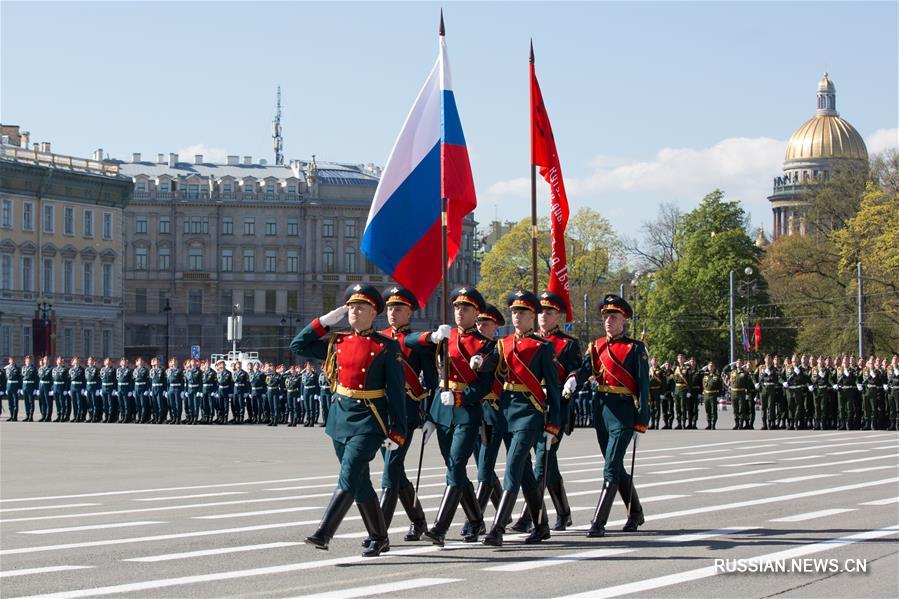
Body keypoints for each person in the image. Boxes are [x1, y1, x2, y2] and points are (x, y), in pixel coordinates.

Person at [290, 283, 406, 557]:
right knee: (359, 480)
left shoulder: (387, 347)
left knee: (350, 471)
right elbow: (298, 345)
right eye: (351, 306)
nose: (354, 310)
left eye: (361, 307)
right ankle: (379, 537)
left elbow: (397, 392)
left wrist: (398, 430)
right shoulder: (338, 341)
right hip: (340, 417)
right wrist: (324, 322)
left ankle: (324, 532)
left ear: (373, 312)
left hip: (370, 419)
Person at [405, 286, 495, 546]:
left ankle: (439, 528)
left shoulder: (486, 345)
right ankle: (476, 520)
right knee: (454, 469)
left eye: (465, 308)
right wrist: (431, 337)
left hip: (467, 412)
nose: (459, 311)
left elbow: (484, 385)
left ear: (476, 312)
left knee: (456, 465)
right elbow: (406, 342)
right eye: (456, 307)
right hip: (442, 411)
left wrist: (460, 397)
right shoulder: (446, 337)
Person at [480, 290, 561, 547]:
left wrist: (553, 423)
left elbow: (555, 391)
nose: (517, 316)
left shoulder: (542, 347)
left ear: (532, 316)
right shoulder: (502, 344)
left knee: (513, 467)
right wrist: (477, 362)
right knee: (525, 472)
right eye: (514, 312)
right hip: (506, 410)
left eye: (523, 312)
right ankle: (542, 525)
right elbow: (490, 364)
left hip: (530, 411)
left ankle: (497, 528)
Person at [564, 293, 649, 538]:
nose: (608, 320)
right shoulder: (597, 346)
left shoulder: (635, 348)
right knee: (615, 466)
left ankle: (598, 522)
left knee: (611, 467)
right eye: (605, 316)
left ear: (624, 319)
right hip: (602, 410)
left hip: (623, 412)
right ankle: (636, 513)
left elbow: (642, 385)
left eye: (614, 316)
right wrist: (573, 378)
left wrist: (641, 420)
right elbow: (585, 370)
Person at [368, 286, 436, 546]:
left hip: (406, 413)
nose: (392, 313)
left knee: (390, 470)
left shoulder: (418, 343)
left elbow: (431, 383)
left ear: (410, 312)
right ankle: (418, 520)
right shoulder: (377, 338)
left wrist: (431, 415)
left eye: (399, 308)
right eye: (390, 308)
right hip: (379, 412)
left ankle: (379, 533)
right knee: (396, 471)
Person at [702, 361, 723, 430]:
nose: (710, 367)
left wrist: (719, 396)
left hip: (713, 395)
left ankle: (713, 424)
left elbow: (720, 386)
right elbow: (703, 384)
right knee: (707, 410)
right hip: (706, 395)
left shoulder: (717, 376)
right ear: (707, 367)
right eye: (709, 366)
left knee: (713, 410)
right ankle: (709, 424)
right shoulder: (705, 375)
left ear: (714, 367)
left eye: (712, 366)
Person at [21, 355, 37, 422]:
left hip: (31, 385)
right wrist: (21, 388)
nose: (28, 361)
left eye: (29, 360)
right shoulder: (23, 368)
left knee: (31, 402)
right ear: (25, 361)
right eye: (27, 360)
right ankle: (27, 415)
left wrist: (35, 388)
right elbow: (21, 378)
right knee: (26, 402)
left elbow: (36, 379)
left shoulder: (33, 368)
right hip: (24, 385)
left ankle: (31, 416)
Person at [4, 356, 21, 421]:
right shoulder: (6, 368)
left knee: (15, 402)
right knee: (10, 402)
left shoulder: (17, 369)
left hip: (15, 386)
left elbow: (20, 379)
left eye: (13, 360)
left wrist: (19, 388)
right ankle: (11, 416)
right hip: (8, 386)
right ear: (9, 361)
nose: (12, 361)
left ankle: (15, 416)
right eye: (11, 360)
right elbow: (5, 379)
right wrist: (6, 388)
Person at [38, 356, 54, 422]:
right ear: (43, 361)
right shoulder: (40, 369)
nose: (46, 360)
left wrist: (52, 389)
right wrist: (37, 388)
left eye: (47, 359)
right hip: (41, 385)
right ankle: (43, 415)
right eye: (45, 359)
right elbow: (38, 379)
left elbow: (52, 380)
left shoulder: (51, 369)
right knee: (42, 402)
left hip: (47, 386)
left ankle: (48, 416)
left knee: (48, 402)